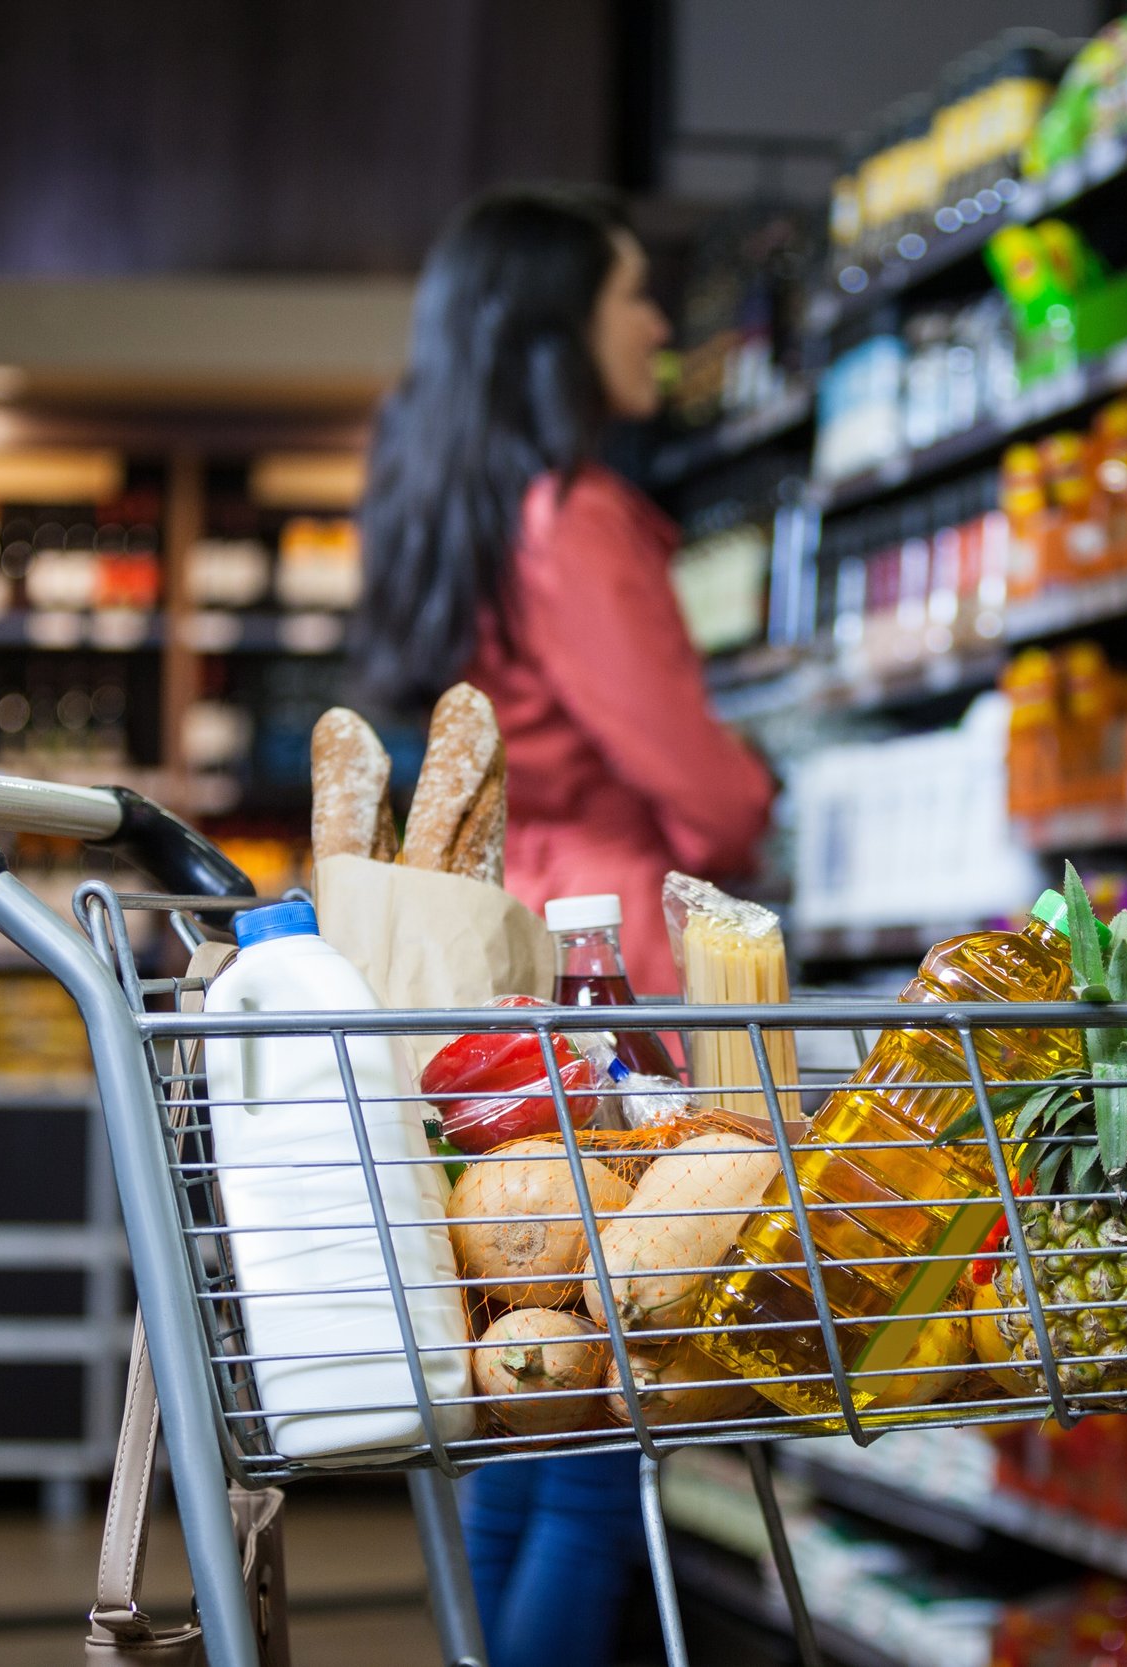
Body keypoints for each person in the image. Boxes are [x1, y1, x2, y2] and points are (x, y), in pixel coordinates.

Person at [350, 185, 774, 1667]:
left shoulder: (459, 513)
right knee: (602, 1440)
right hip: (610, 985)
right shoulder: (576, 520)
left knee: (521, 1398)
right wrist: (756, 791)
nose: (662, 322)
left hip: (493, 971)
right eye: (634, 297)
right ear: (555, 332)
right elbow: (703, 791)